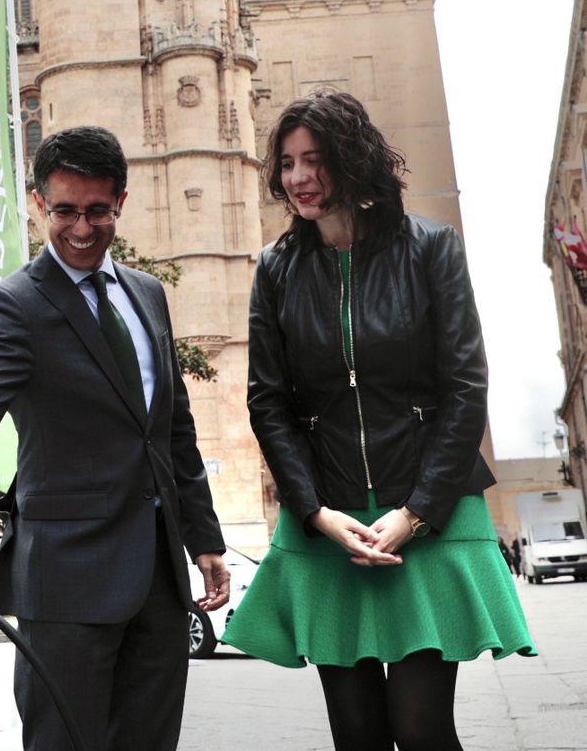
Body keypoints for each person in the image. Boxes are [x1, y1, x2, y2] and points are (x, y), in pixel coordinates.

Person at [0, 125, 228, 751]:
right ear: (38, 205)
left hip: (160, 586)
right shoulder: (16, 304)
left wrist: (204, 538)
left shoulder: (147, 295)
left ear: (122, 202)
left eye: (97, 212)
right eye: (64, 211)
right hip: (65, 583)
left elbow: (171, 430)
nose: (81, 229)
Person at [224, 89, 533, 751]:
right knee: (357, 734)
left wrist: (414, 512)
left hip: (428, 508)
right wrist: (316, 512)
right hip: (330, 518)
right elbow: (268, 402)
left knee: (421, 729)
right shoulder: (275, 270)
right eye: (286, 162)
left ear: (352, 158)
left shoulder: (430, 247)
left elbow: (465, 388)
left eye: (314, 159)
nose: (299, 176)